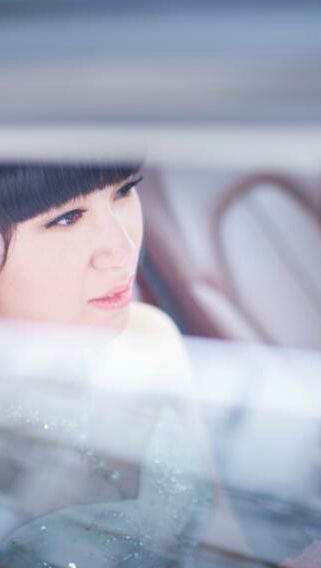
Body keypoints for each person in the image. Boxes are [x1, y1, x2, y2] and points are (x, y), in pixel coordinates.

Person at [0, 162, 240, 567]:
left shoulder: (150, 340)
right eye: (67, 218)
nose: (124, 248)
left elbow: (228, 544)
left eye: (125, 190)